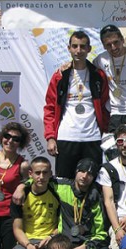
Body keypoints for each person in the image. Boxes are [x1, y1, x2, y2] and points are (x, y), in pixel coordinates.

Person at [44, 30, 110, 178]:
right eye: (74, 46)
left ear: (89, 49)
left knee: (93, 183)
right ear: (69, 49)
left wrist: (105, 132)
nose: (78, 50)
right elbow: (50, 108)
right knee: (65, 182)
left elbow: (105, 106)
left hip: (92, 138)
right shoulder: (60, 76)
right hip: (66, 137)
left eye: (82, 46)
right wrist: (50, 137)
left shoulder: (98, 75)